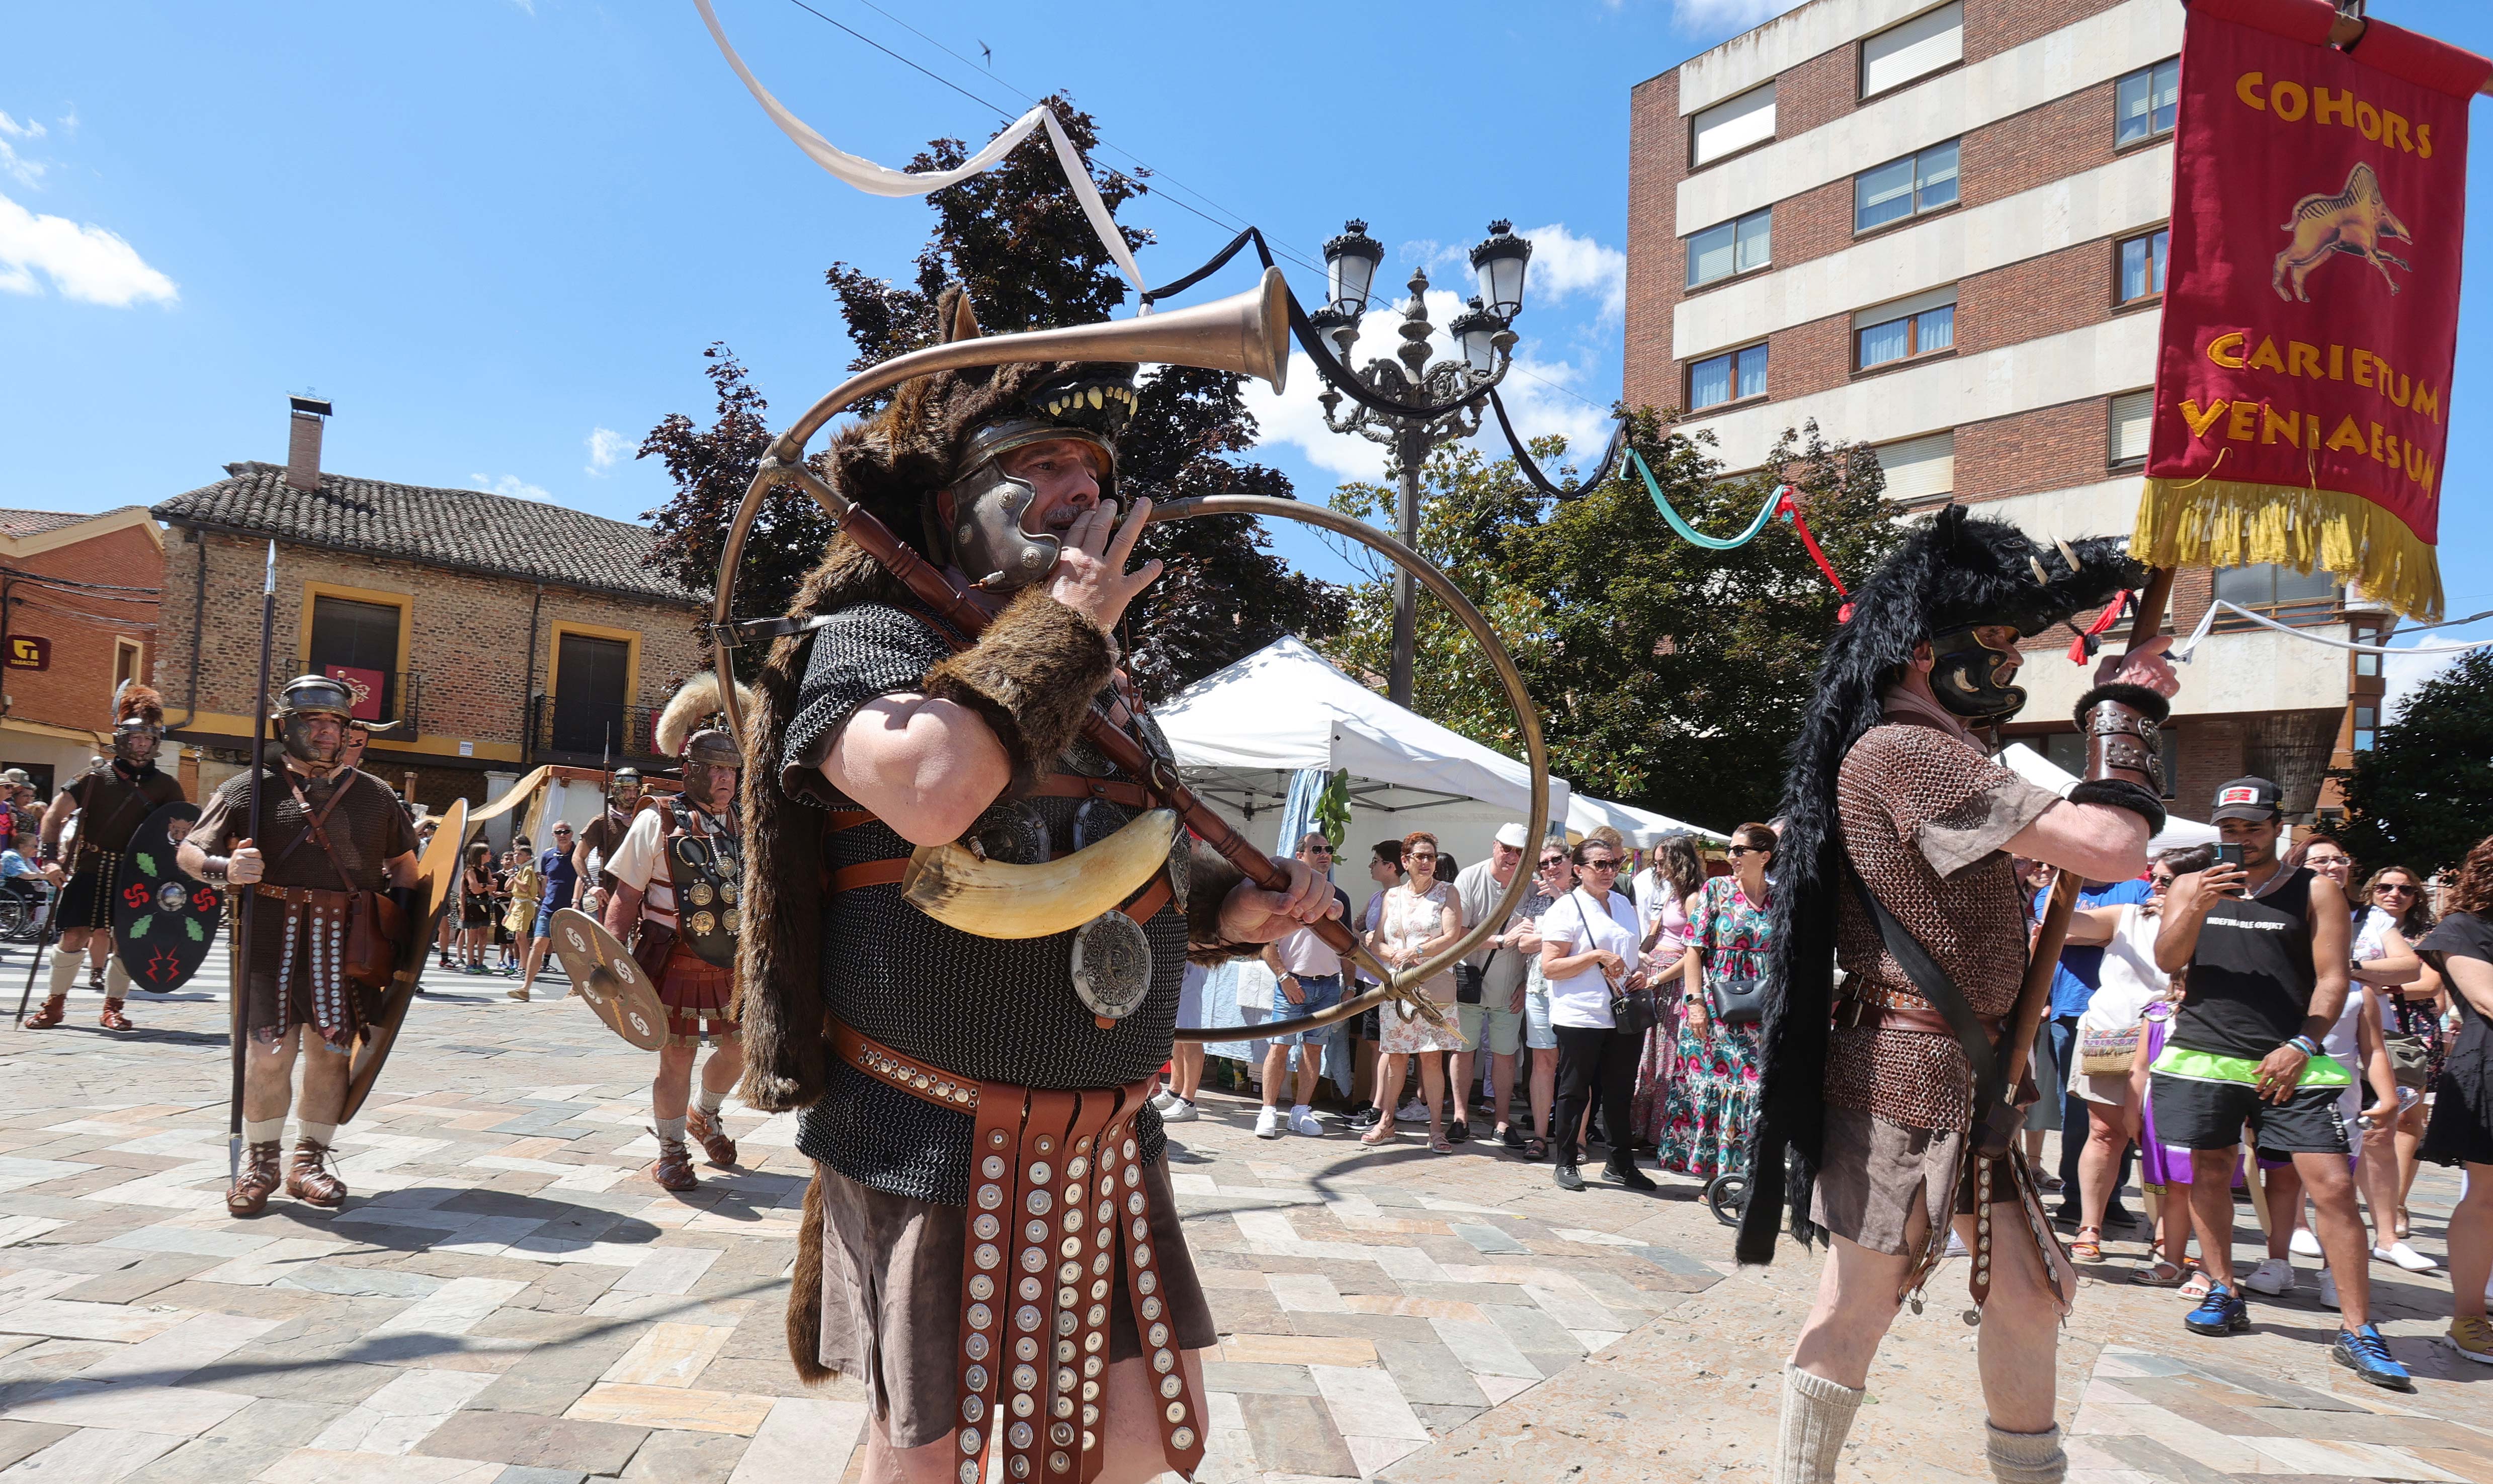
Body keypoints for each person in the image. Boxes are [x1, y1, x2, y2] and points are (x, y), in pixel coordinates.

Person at [730, 314, 1334, 1484]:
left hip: (1105, 1130)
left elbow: (1127, 845)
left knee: (1137, 1439)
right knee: (925, 1457)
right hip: (927, 1127)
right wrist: (1068, 628)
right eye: (1041, 465)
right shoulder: (862, 641)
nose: (1078, 487)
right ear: (956, 499)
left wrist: (1229, 912)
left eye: (1091, 470)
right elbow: (934, 787)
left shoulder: (1098, 671)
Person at [1743, 507, 2177, 1484]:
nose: (2009, 661)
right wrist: (2128, 706)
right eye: (1991, 639)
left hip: (1964, 1072)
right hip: (1910, 1067)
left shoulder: (1936, 750)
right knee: (1858, 1307)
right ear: (1917, 647)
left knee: (2026, 1294)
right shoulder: (1904, 749)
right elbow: (2114, 847)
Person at [2150, 776, 2412, 1389]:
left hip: (2292, 1055)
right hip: (2206, 1052)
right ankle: (2223, 1288)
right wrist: (2196, 904)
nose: (2240, 838)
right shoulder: (2192, 883)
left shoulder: (2315, 889)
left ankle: (2357, 1328)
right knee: (2210, 1170)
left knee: (2333, 1184)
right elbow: (2167, 960)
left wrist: (2302, 1042)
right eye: (2230, 828)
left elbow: (2332, 980)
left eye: (2253, 826)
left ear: (2277, 826)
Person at [183, 675, 421, 1216]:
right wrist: (226, 867)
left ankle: (308, 1160)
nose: (325, 731)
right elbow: (191, 850)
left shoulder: (375, 795)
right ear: (285, 726)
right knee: (268, 1054)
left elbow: (405, 868)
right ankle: (261, 1160)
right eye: (313, 721)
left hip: (344, 941)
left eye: (335, 722)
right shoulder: (250, 788)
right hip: (270, 936)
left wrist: (398, 933)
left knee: (332, 1053)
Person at [602, 677, 749, 1191]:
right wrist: (608, 955)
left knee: (742, 1049)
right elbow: (625, 897)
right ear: (689, 770)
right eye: (714, 768)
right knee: (678, 1056)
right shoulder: (657, 819)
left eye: (731, 768)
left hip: (733, 960)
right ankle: (670, 1148)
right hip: (674, 957)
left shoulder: (744, 823)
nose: (724, 778)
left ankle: (704, 1114)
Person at [30, 684, 185, 1032]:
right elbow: (54, 815)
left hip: (136, 873)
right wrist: (51, 860)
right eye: (136, 738)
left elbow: (183, 831)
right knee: (72, 936)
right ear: (122, 738)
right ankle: (54, 1006)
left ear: (155, 741)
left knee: (127, 942)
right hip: (90, 867)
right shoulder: (95, 777)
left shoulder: (166, 786)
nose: (142, 744)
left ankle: (113, 1007)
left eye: (148, 738)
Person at [2413, 832, 2493, 1363]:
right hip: (2489, 1066)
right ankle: (2469, 1316)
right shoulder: (2462, 928)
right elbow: (2487, 996)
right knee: (2486, 1194)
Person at [1662, 823, 1776, 1192]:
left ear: (1765, 857)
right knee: (1716, 1087)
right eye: (1731, 849)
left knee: (1755, 1090)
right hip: (1715, 1009)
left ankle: (1746, 1172)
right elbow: (1694, 950)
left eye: (1740, 850)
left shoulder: (1782, 899)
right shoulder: (1716, 890)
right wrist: (1695, 1002)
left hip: (1761, 1011)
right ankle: (1714, 1176)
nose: (1732, 857)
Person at [1539, 837, 1654, 1192]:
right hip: (1581, 1014)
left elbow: (1630, 956)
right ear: (1579, 870)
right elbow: (1550, 966)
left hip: (1622, 1013)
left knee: (1620, 1091)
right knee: (1575, 1090)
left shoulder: (1623, 904)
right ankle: (1567, 1160)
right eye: (1600, 865)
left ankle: (1620, 1164)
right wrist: (1595, 956)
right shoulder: (1566, 908)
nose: (1609, 871)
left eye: (1614, 864)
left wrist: (1639, 973)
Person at [2354, 862, 2445, 1251]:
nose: (2395, 894)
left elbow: (2429, 983)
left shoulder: (2425, 935)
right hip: (2360, 1026)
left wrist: (2371, 980)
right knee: (2363, 1115)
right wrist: (2385, 979)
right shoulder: (2356, 924)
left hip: (2412, 1032)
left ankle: (2398, 1203)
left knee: (2409, 1119)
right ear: (2372, 890)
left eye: (2406, 889)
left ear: (2416, 896)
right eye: (2386, 886)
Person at [1364, 831, 1467, 1153]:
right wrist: (1389, 953)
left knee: (1431, 1058)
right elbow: (1377, 940)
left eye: (1431, 856)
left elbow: (1451, 937)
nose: (1426, 862)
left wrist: (1417, 951)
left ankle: (1436, 1130)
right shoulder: (1391, 897)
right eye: (1419, 856)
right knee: (1395, 1057)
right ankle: (1386, 1122)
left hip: (1432, 988)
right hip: (1396, 988)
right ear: (1405, 861)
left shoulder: (1448, 892)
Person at [1256, 832, 1351, 1139]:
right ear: (1301, 856)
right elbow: (1266, 944)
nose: (1325, 854)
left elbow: (1348, 947)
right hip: (1292, 983)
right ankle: (1268, 1111)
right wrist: (1284, 977)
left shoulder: (1340, 898)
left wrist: (1349, 987)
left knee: (1314, 1051)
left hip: (1327, 987)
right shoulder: (1285, 894)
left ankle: (1300, 1112)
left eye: (1328, 849)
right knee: (1280, 1048)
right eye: (1317, 849)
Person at [1452, 823, 1532, 1147]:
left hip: (1511, 987)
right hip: (1471, 982)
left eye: (1519, 852)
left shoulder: (1531, 884)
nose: (1512, 857)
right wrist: (1500, 941)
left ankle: (1502, 1121)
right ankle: (1460, 1118)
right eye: (1507, 849)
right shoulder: (1469, 879)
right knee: (1463, 1050)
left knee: (1505, 1055)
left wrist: (1526, 985)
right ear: (1494, 845)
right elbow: (1456, 934)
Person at [1628, 834, 1706, 1151]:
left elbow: (1693, 953)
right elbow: (1655, 931)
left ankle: (1659, 1132)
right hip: (1656, 976)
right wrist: (1643, 955)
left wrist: (1657, 978)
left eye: (1661, 862)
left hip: (1671, 982)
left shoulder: (1693, 898)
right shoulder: (1673, 894)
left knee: (1667, 1058)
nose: (1657, 869)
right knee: (1650, 1055)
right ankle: (1641, 1128)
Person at [1506, 844, 1573, 1161]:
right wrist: (1559, 937)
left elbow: (1586, 934)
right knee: (1543, 1065)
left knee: (1576, 1067)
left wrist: (1555, 917)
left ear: (1572, 862)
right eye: (1544, 863)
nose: (1550, 867)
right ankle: (1541, 1137)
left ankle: (1577, 1141)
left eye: (1556, 860)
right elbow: (1523, 943)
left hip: (1576, 991)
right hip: (1538, 988)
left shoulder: (1586, 896)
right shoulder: (1537, 900)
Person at [1347, 839, 1404, 1133]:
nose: (1371, 866)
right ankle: (1372, 1101)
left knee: (1384, 1044)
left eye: (1376, 861)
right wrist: (1366, 937)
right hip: (1368, 979)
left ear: (1390, 866)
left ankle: (1379, 1106)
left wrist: (1371, 939)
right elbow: (1357, 928)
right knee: (1372, 1043)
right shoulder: (1375, 898)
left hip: (1387, 981)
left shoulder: (1402, 900)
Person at [574, 767, 645, 919]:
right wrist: (591, 886)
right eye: (627, 790)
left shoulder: (645, 819)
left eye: (636, 790)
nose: (632, 795)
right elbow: (577, 857)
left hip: (641, 894)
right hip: (609, 893)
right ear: (615, 790)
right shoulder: (603, 822)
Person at [517, 821, 577, 998]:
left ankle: (575, 988)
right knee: (537, 945)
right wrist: (542, 899)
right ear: (554, 835)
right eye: (558, 832)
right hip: (548, 908)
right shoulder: (548, 856)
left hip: (572, 910)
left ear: (572, 833)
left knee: (573, 950)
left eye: (566, 831)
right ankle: (526, 988)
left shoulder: (579, 853)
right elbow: (546, 881)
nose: (562, 835)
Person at [503, 837, 544, 992]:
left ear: (528, 857)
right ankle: (521, 965)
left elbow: (526, 888)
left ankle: (523, 967)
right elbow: (509, 889)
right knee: (519, 938)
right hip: (518, 905)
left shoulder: (528, 870)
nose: (516, 857)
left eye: (520, 854)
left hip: (525, 906)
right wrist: (512, 875)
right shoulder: (520, 869)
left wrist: (514, 877)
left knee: (522, 937)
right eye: (515, 854)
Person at [458, 842, 495, 973]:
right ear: (480, 855)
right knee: (472, 935)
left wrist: (483, 886)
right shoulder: (470, 871)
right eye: (487, 853)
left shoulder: (486, 870)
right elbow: (474, 890)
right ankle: (470, 963)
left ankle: (480, 962)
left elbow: (493, 887)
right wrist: (486, 887)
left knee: (483, 934)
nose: (490, 855)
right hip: (472, 905)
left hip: (484, 905)